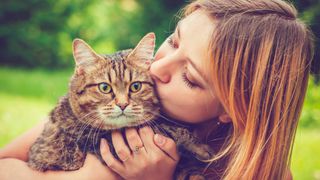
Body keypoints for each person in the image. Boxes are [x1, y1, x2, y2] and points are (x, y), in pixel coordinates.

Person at [0, 0, 313, 179]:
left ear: (232, 110)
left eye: (189, 76)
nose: (158, 68)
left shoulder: (263, 173)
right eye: (173, 41)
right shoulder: (96, 113)